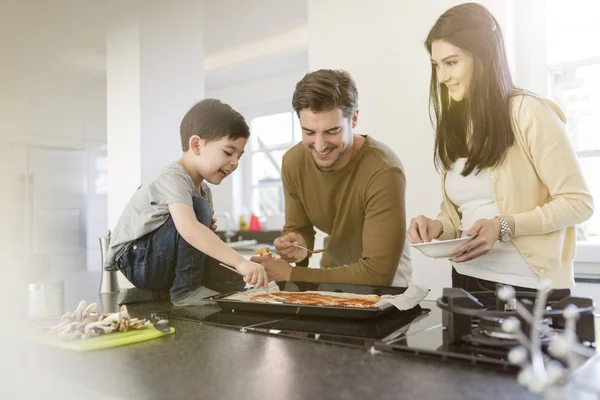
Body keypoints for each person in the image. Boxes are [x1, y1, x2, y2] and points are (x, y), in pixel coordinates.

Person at [406, 3, 594, 291]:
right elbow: (457, 214)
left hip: (524, 286)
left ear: (482, 57)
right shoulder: (455, 121)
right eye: (437, 65)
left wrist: (504, 225)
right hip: (464, 280)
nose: (442, 77)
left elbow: (579, 203)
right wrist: (438, 228)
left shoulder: (529, 112)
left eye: (451, 62)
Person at [252, 69, 412, 286]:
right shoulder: (293, 162)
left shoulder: (383, 170)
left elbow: (378, 274)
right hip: (330, 273)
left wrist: (291, 274)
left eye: (332, 131)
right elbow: (298, 227)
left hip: (384, 284)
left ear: (353, 119)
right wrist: (297, 243)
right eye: (309, 132)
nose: (319, 146)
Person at [105, 99, 268, 306]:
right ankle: (185, 292)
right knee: (198, 214)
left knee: (233, 279)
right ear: (196, 145)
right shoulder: (173, 177)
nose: (235, 162)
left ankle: (157, 294)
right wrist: (241, 261)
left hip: (155, 263)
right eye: (228, 152)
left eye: (239, 156)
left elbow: (195, 242)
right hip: (136, 262)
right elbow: (189, 230)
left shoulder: (204, 190)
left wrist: (240, 266)